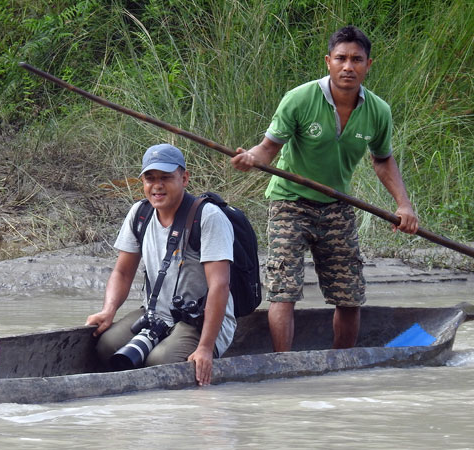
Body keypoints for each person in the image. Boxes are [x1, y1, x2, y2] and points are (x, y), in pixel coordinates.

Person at [231, 26, 419, 352]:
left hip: (336, 205)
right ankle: (284, 365)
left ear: (368, 65)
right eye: (341, 58)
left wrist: (404, 205)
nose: (348, 67)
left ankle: (341, 362)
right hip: (290, 202)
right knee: (284, 288)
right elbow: (268, 149)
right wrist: (251, 158)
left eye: (356, 60)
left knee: (349, 294)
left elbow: (383, 160)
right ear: (328, 61)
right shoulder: (299, 99)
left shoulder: (378, 111)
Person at [86, 143, 236, 386]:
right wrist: (108, 311)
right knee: (105, 347)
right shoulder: (140, 213)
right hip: (155, 314)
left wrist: (206, 348)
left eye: (166, 178)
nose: (157, 185)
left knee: (161, 362)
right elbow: (123, 272)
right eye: (150, 178)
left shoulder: (208, 217)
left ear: (184, 178)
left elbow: (220, 285)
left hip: (199, 319)